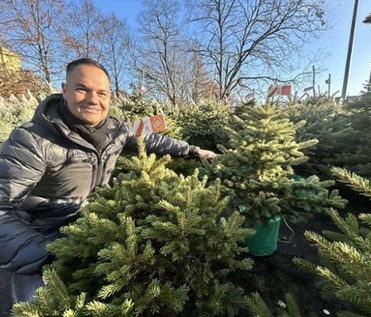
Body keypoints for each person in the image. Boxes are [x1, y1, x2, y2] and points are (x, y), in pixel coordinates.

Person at [0, 58, 216, 312]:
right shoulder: (31, 140)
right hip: (42, 236)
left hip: (93, 223)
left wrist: (193, 150)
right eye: (82, 89)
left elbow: (152, 140)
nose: (93, 99)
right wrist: (50, 256)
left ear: (109, 97)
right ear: (64, 90)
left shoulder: (115, 130)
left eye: (101, 93)